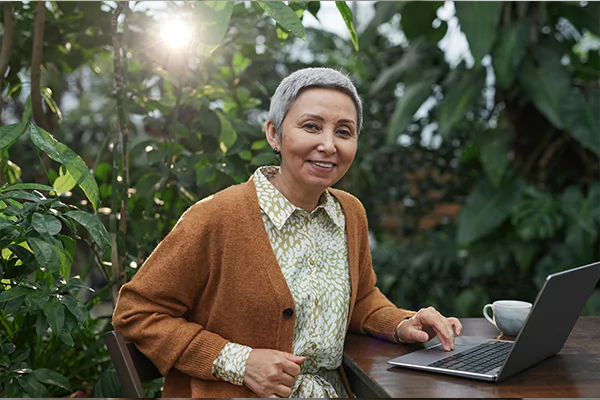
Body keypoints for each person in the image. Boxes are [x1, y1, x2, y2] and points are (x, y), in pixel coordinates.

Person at [112, 67, 462, 398]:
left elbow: (361, 299)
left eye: (344, 131)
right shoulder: (216, 217)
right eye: (311, 126)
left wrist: (402, 323)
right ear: (274, 134)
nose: (329, 145)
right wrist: (239, 362)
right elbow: (136, 312)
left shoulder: (349, 213)